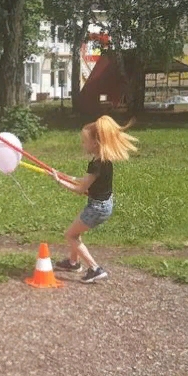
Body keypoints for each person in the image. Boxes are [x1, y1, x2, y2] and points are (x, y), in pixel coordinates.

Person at [50, 115, 138, 283]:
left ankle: (95, 268)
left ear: (95, 143)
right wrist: (66, 176)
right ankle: (73, 263)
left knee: (70, 235)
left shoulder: (95, 165)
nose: (83, 145)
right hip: (104, 205)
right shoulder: (105, 161)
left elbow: (80, 189)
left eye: (85, 141)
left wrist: (58, 181)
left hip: (96, 208)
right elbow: (87, 182)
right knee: (76, 231)